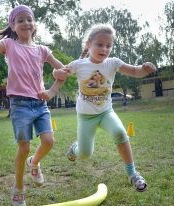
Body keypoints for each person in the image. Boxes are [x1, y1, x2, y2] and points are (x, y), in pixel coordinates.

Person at [0, 5, 66, 206]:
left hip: (40, 103)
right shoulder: (8, 44)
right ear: (13, 25)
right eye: (20, 20)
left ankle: (34, 164)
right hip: (20, 104)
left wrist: (52, 91)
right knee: (24, 147)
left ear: (34, 25)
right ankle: (18, 189)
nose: (26, 23)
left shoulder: (43, 50)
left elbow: (63, 70)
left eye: (29, 19)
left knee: (49, 141)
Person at [53, 24, 157, 192]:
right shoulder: (78, 65)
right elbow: (58, 73)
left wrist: (144, 69)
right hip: (86, 117)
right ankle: (75, 147)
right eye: (99, 44)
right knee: (85, 154)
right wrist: (58, 74)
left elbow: (135, 71)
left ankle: (132, 174)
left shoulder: (113, 63)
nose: (104, 49)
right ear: (88, 44)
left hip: (106, 112)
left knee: (120, 133)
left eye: (108, 45)